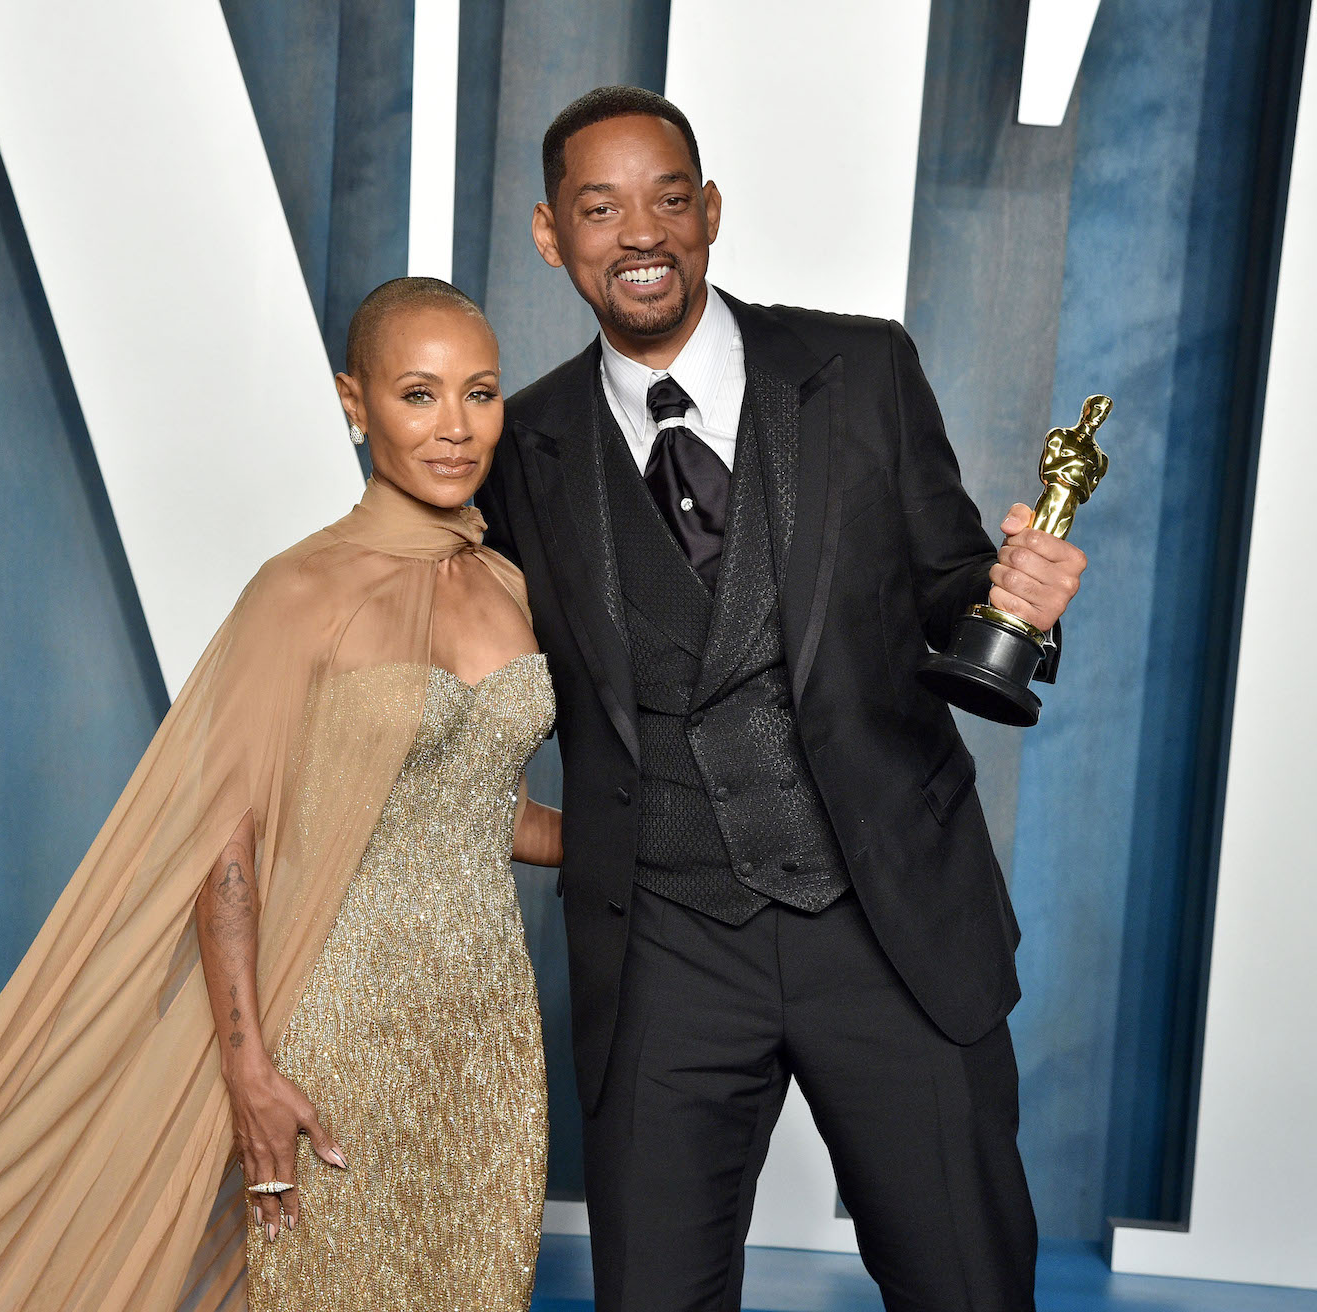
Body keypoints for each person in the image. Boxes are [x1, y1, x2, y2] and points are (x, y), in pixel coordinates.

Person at [0, 277, 561, 1312]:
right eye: (418, 394)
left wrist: (667, 832)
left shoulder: (506, 585)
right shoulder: (299, 592)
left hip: (487, 1037)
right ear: (354, 401)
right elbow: (225, 843)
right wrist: (249, 1070)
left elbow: (486, 812)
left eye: (480, 392)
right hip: (337, 1026)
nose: (456, 427)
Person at [475, 87, 1089, 1311]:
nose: (639, 234)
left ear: (709, 211)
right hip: (663, 948)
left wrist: (1017, 597)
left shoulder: (862, 370)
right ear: (551, 234)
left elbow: (949, 583)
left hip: (888, 921)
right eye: (599, 209)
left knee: (967, 1287)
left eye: (667, 199)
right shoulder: (519, 448)